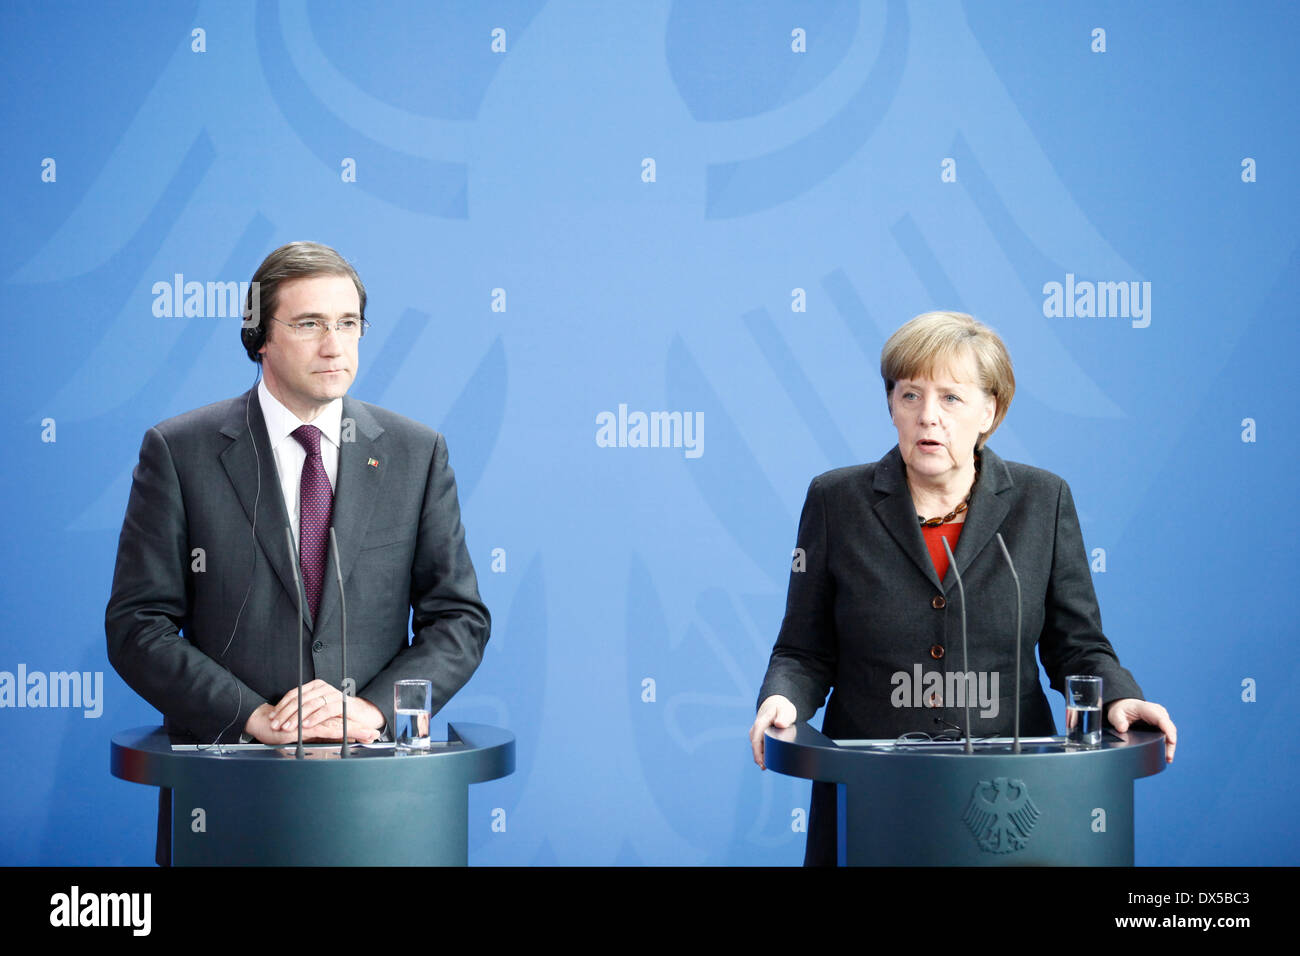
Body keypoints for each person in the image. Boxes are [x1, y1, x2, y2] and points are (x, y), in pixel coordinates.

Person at [106, 241, 490, 861]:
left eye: (348, 324)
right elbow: (137, 626)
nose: (334, 346)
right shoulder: (181, 451)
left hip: (380, 803)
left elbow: (459, 619)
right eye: (310, 324)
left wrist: (372, 711)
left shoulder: (416, 454)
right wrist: (254, 717)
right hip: (228, 797)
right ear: (260, 336)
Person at [748, 311, 1176, 865]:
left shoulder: (1041, 501)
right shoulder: (836, 501)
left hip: (1009, 797)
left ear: (989, 411)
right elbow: (803, 650)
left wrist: (1118, 695)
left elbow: (1078, 643)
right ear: (891, 405)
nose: (928, 417)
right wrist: (782, 697)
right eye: (910, 395)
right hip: (874, 795)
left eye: (951, 398)